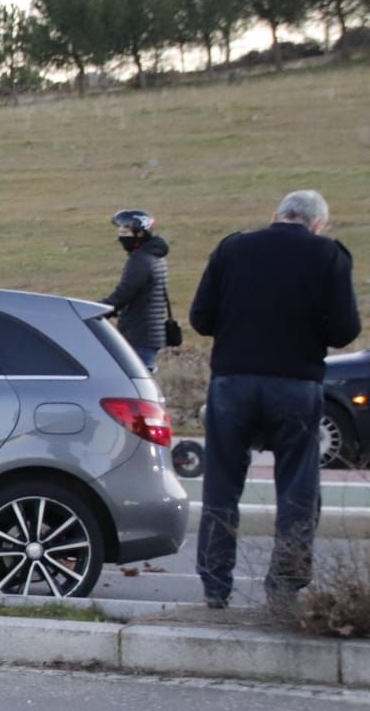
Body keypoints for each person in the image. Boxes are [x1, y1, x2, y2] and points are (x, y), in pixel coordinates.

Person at [189, 189, 361, 608]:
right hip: (295, 384)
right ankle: (284, 587)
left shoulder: (232, 248)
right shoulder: (328, 255)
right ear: (317, 224)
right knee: (298, 489)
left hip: (232, 382)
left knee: (222, 487)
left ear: (277, 215)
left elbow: (200, 318)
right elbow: (344, 330)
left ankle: (215, 586)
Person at [101, 209, 170, 371]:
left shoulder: (140, 260)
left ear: (140, 233)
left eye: (125, 232)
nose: (121, 237)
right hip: (150, 333)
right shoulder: (154, 256)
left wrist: (99, 309)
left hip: (139, 334)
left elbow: (124, 294)